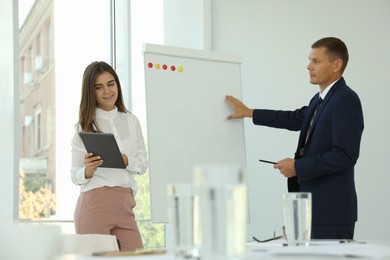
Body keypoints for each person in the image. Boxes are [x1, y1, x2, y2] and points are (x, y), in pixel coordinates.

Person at [226, 37, 364, 239]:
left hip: (330, 212)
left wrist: (298, 167)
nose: (309, 66)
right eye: (310, 60)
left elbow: (345, 155)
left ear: (336, 65)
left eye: (316, 61)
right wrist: (250, 112)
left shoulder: (345, 99)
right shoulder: (320, 99)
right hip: (311, 209)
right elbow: (294, 118)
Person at [70, 61, 148, 251]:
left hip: (126, 204)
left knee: (136, 255)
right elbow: (75, 175)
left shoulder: (131, 121)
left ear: (117, 85)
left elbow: (143, 164)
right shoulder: (84, 126)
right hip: (95, 204)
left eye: (111, 84)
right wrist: (87, 171)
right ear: (91, 92)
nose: (107, 91)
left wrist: (127, 161)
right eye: (99, 87)